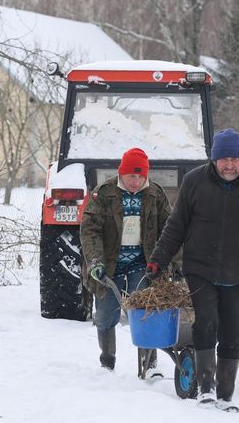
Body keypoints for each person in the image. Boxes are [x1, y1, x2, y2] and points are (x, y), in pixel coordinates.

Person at [146, 128, 239, 412]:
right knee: (205, 322)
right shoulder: (194, 182)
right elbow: (176, 225)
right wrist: (158, 259)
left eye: (235, 159)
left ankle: (225, 396)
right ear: (214, 160)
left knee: (232, 333)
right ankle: (206, 389)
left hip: (238, 271)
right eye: (223, 159)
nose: (229, 164)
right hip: (200, 267)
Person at [80, 147, 174, 373]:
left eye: (141, 176)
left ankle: (149, 363)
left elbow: (169, 229)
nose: (136, 181)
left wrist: (166, 263)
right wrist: (95, 262)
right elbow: (90, 230)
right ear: (121, 173)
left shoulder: (155, 195)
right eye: (132, 175)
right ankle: (107, 360)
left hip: (141, 264)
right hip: (108, 265)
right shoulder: (104, 194)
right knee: (105, 316)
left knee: (145, 313)